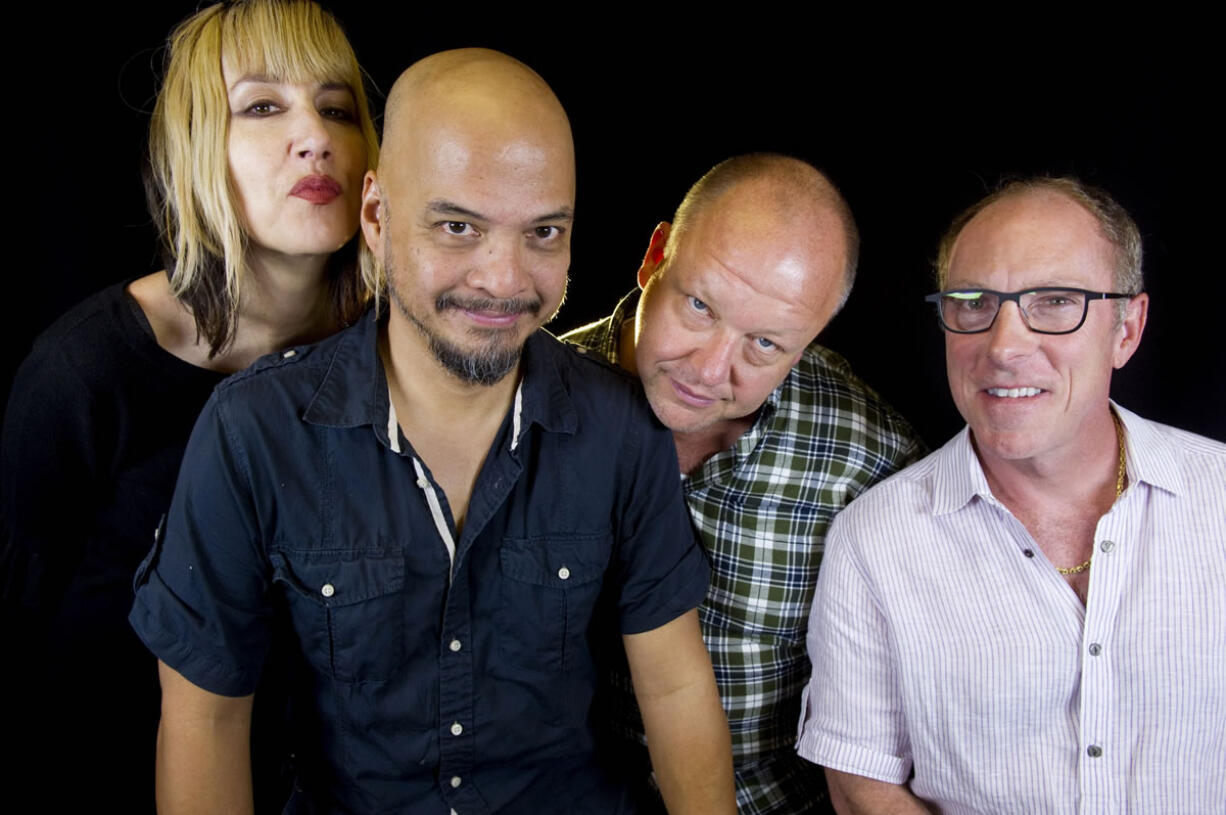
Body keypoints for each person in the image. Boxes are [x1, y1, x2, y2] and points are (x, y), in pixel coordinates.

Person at [129, 48, 736, 814]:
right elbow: (206, 722)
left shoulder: (621, 430)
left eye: (544, 232)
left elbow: (676, 684)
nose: (504, 279)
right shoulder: (252, 435)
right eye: (458, 226)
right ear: (377, 217)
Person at [0, 1, 377, 810]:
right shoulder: (86, 371)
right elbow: (24, 629)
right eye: (263, 106)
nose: (314, 136)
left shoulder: (395, 356)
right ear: (198, 148)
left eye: (338, 108)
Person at [797, 177, 1226, 814]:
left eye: (1055, 301)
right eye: (972, 302)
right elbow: (863, 788)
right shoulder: (875, 538)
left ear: (1127, 329)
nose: (1003, 347)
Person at [563, 153, 926, 813]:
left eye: (765, 345)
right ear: (654, 259)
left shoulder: (869, 463)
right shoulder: (533, 405)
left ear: (808, 340)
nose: (709, 368)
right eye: (700, 305)